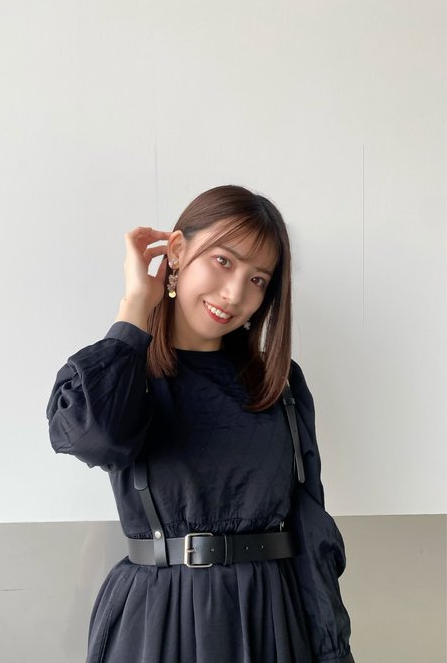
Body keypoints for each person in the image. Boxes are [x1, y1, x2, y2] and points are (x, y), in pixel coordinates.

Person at [46, 184, 355, 663]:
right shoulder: (126, 371)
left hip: (270, 620)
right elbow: (93, 435)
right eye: (223, 261)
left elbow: (311, 529)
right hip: (158, 619)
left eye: (258, 280)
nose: (235, 294)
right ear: (176, 250)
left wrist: (333, 653)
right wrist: (136, 305)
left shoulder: (279, 384)